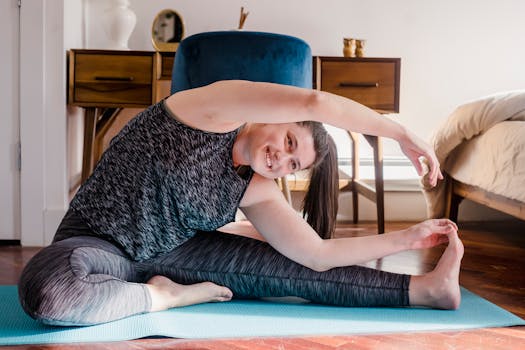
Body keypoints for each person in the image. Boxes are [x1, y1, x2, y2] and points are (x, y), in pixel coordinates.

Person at [18, 80, 463, 326]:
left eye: (292, 165)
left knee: (296, 271)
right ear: (274, 114)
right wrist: (401, 133)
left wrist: (407, 238)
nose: (281, 159)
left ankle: (426, 291)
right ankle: (163, 298)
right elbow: (315, 100)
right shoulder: (208, 112)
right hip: (98, 243)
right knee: (50, 291)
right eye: (289, 141)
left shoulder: (256, 187)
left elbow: (319, 255)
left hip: (175, 253)